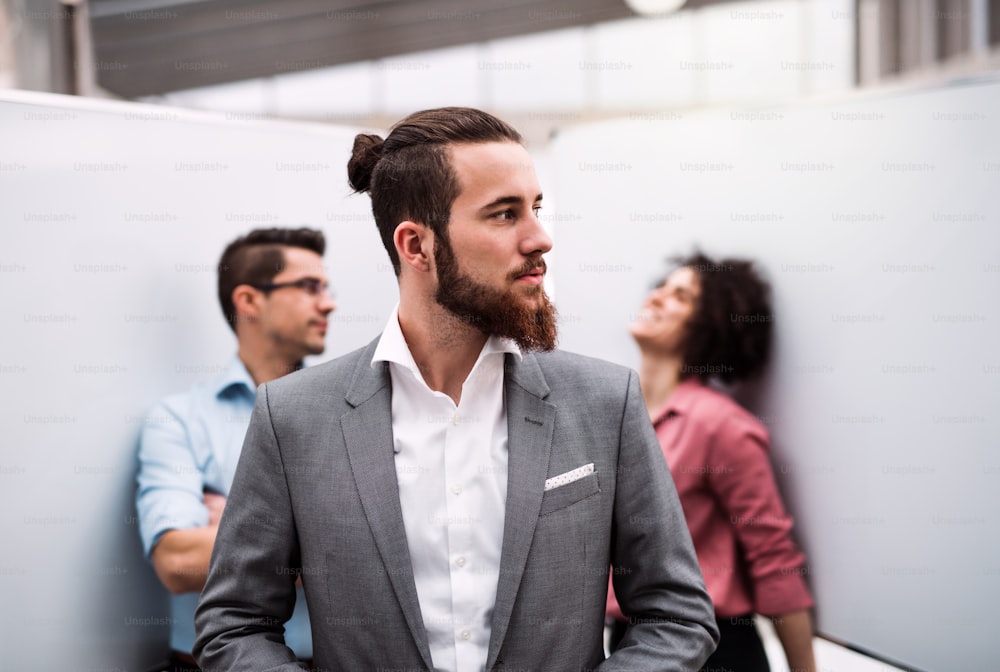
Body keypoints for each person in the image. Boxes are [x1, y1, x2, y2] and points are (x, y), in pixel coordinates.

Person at [193, 107, 719, 671]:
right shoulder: (293, 417)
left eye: (536, 208)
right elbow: (235, 624)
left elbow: (675, 615)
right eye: (503, 214)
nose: (539, 238)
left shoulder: (603, 402)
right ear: (417, 246)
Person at [136, 227, 336, 670]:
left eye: (325, 287)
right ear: (248, 301)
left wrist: (238, 526)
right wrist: (319, 540)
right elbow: (175, 561)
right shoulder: (179, 419)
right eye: (308, 287)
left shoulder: (349, 413)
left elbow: (393, 550)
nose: (329, 303)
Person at [606, 252, 817, 672]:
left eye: (680, 296)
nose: (657, 297)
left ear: (708, 326)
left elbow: (774, 561)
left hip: (715, 650)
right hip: (629, 643)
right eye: (661, 287)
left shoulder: (720, 426)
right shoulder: (613, 416)